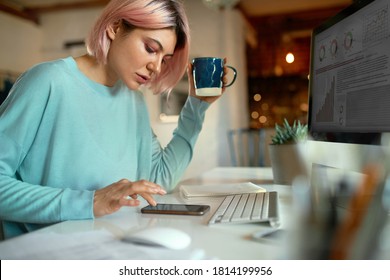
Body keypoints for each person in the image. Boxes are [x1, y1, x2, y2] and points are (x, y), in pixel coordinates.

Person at [0, 0, 231, 239]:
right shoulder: (48, 82)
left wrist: (198, 106)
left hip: (114, 246)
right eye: (151, 48)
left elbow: (159, 180)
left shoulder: (134, 100)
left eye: (165, 59)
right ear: (114, 27)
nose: (156, 66)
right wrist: (88, 202)